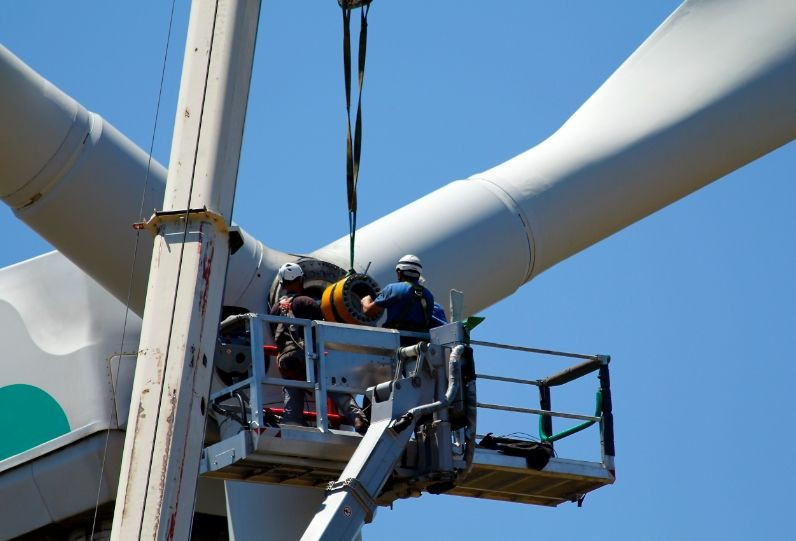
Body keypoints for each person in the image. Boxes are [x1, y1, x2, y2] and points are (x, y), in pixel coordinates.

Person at [270, 262, 368, 433]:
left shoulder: (275, 309)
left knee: (292, 389)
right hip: (307, 355)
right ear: (301, 279)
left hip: (285, 359)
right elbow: (321, 330)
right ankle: (356, 416)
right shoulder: (306, 302)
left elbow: (273, 332)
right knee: (331, 384)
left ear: (282, 284)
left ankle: (293, 424)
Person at [361, 254, 435, 341]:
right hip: (421, 342)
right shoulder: (429, 296)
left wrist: (366, 300)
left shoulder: (392, 289)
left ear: (399, 273)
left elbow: (368, 311)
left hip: (397, 340)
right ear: (418, 274)